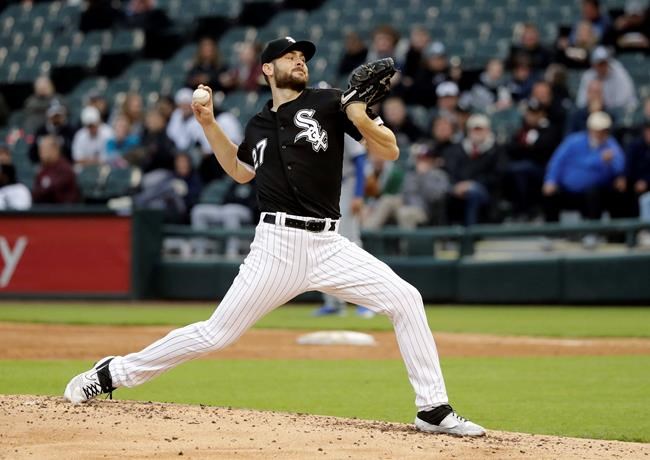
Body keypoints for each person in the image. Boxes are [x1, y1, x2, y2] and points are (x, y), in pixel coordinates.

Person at [63, 36, 486, 437]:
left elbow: (390, 149)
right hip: (276, 247)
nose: (300, 59)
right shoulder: (259, 123)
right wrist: (208, 123)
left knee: (406, 299)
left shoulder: (331, 101)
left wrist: (358, 114)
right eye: (289, 56)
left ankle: (433, 409)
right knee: (216, 334)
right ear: (267, 68)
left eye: (303, 55)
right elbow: (240, 171)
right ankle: (110, 373)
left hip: (329, 245)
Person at [542, 111, 626, 222]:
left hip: (595, 193)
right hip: (568, 189)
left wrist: (619, 174)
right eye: (597, 130)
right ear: (590, 129)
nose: (600, 134)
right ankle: (551, 234)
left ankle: (595, 233)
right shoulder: (573, 141)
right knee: (550, 193)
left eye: (604, 131)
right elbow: (557, 161)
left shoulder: (610, 144)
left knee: (604, 194)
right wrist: (551, 180)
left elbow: (620, 164)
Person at [575, 46, 638, 111]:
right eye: (600, 63)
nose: (603, 66)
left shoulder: (619, 74)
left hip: (621, 111)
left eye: (604, 63)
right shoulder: (588, 76)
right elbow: (581, 103)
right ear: (593, 64)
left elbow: (624, 101)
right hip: (598, 111)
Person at [32, 135, 80, 204]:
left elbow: (52, 191)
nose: (41, 153)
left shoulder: (65, 168)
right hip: (45, 211)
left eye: (44, 149)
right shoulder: (43, 169)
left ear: (55, 150)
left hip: (63, 212)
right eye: (40, 149)